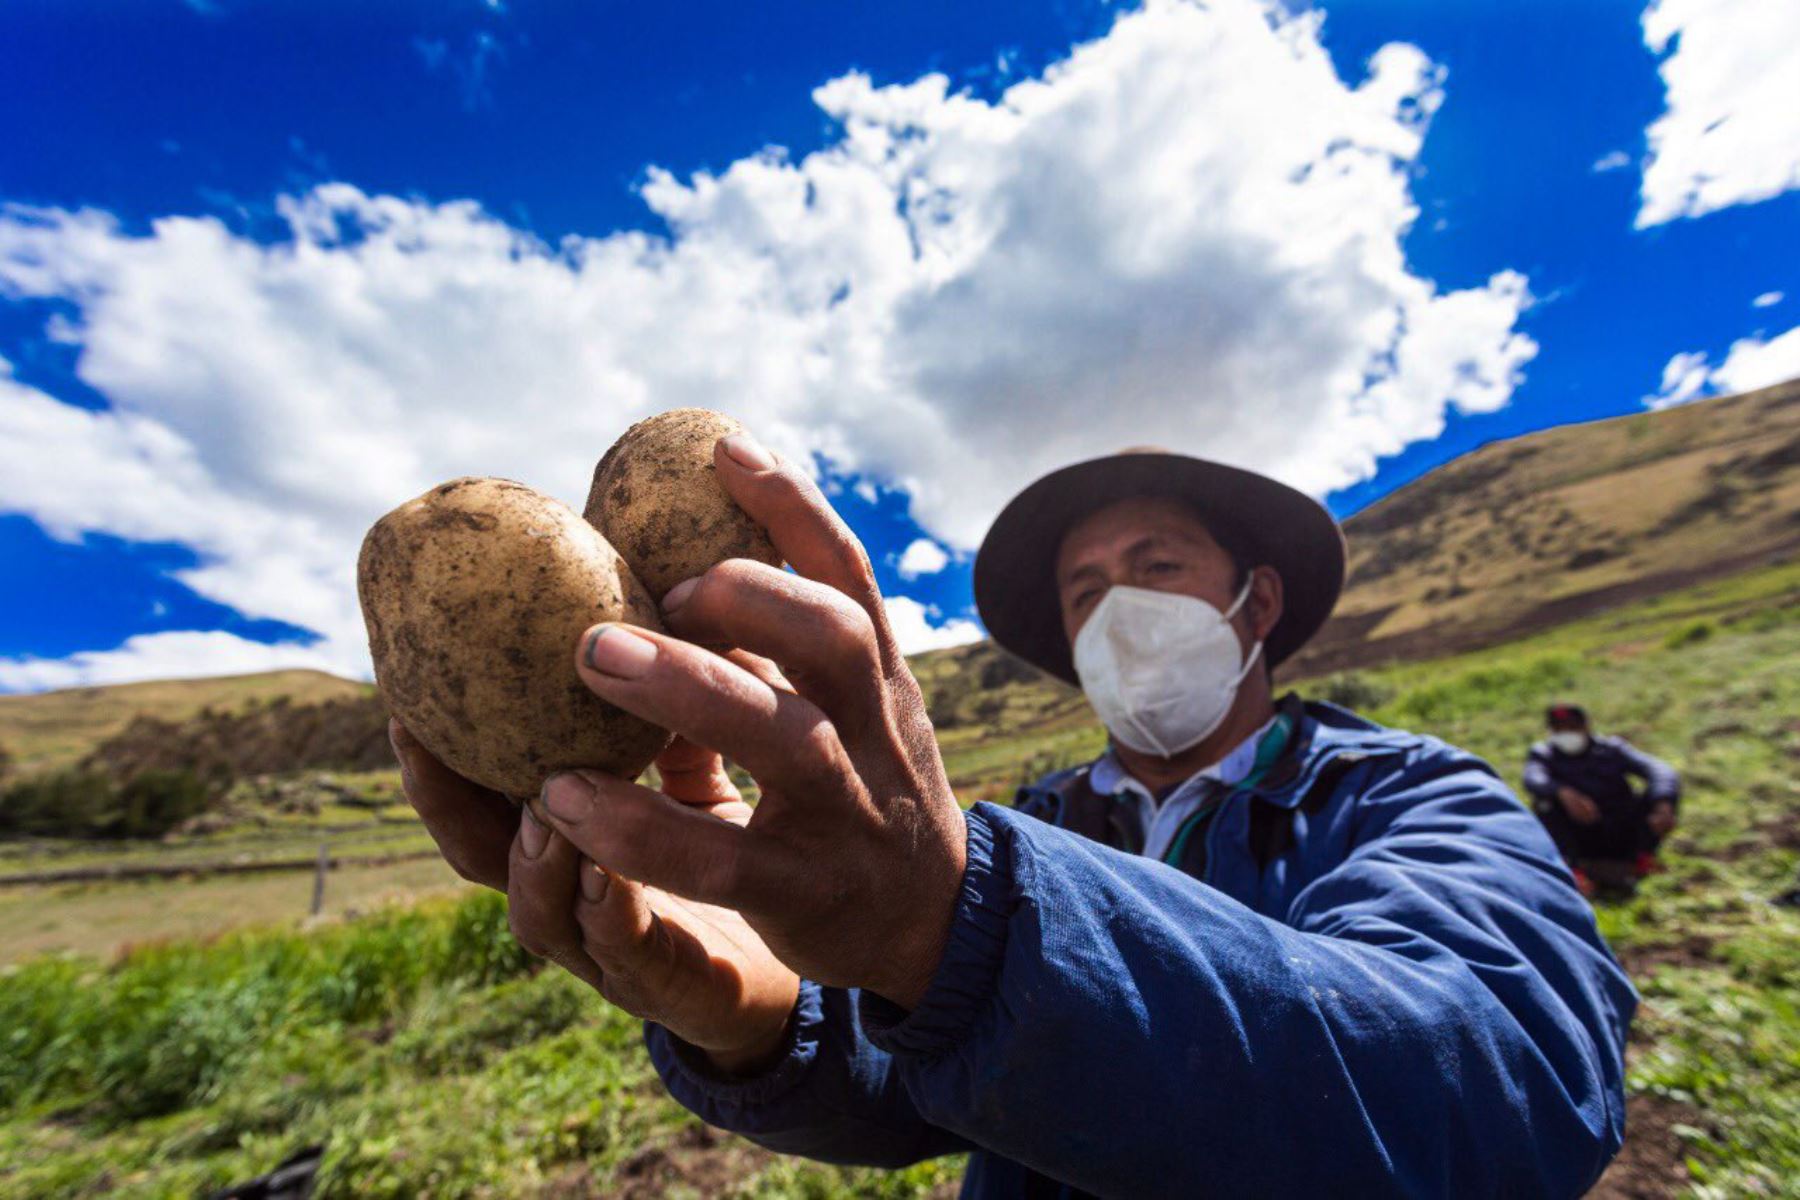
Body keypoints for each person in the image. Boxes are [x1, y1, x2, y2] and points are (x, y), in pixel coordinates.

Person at [393, 437, 1636, 1198]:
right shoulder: (1041, 823)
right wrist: (760, 1012)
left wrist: (956, 930)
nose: (1116, 609)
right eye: (1085, 590)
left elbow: (1511, 1090)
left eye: (1155, 568)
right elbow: (922, 1090)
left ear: (1255, 603)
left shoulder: (1411, 797)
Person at [1523, 703, 1680, 897]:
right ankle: (1573, 871)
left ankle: (1642, 858)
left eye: (1572, 728)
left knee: (1662, 791)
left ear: (1585, 727)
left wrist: (1663, 803)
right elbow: (1533, 779)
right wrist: (1562, 792)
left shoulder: (1612, 750)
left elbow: (1660, 770)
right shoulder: (1544, 755)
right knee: (1545, 804)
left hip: (1620, 828)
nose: (1566, 734)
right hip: (1579, 836)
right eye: (1559, 729)